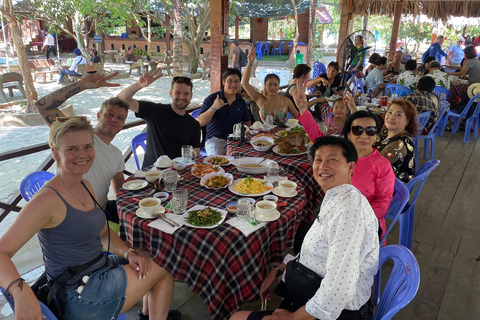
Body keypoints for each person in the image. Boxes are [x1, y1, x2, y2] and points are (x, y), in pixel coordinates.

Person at [0, 117, 176, 320]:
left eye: (87, 147)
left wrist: (129, 252)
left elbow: (101, 232)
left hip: (99, 267)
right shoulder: (47, 199)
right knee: (166, 264)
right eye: (72, 149)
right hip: (80, 293)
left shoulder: (84, 185)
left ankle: (149, 313)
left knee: (150, 253)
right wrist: (19, 291)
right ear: (56, 153)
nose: (82, 155)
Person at [229, 136, 379, 320]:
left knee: (236, 317)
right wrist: (280, 268)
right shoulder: (337, 197)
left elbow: (340, 288)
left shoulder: (348, 211)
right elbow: (319, 250)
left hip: (340, 312)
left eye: (332, 159)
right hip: (312, 290)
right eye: (318, 160)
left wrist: (293, 318)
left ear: (350, 167)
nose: (323, 166)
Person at [295, 80, 394, 240]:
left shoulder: (382, 165)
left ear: (376, 135)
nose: (363, 135)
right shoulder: (342, 152)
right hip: (334, 214)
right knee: (301, 237)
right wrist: (303, 109)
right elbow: (318, 138)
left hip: (365, 224)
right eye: (357, 130)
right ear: (348, 134)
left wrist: (358, 218)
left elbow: (383, 201)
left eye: (370, 130)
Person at [34, 75, 127, 222]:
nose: (114, 119)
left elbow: (121, 190)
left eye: (120, 118)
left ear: (123, 124)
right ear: (98, 116)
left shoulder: (117, 154)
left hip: (100, 214)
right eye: (109, 114)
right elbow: (42, 106)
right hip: (72, 215)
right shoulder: (78, 137)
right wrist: (82, 85)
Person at [117, 70, 201, 168]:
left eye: (186, 93)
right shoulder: (156, 111)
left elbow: (195, 155)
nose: (182, 97)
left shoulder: (193, 124)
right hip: (151, 173)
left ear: (191, 96)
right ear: (171, 93)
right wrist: (139, 85)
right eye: (177, 92)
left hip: (178, 173)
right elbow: (119, 100)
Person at [198, 68, 251, 155]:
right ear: (223, 82)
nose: (233, 84)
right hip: (215, 140)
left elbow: (247, 123)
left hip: (235, 141)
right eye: (230, 81)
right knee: (218, 164)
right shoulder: (212, 99)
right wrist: (213, 108)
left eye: (237, 81)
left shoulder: (241, 102)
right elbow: (200, 122)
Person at [242, 50, 298, 126]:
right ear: (265, 85)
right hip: (265, 136)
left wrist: (303, 107)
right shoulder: (260, 99)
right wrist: (250, 63)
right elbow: (245, 83)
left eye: (275, 85)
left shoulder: (285, 101)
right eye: (270, 84)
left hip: (282, 135)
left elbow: (299, 117)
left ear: (279, 86)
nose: (272, 88)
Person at [375, 100, 419, 183]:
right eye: (390, 112)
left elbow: (373, 167)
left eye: (398, 115)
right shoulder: (387, 132)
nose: (391, 117)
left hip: (390, 190)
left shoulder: (399, 145)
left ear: (407, 121)